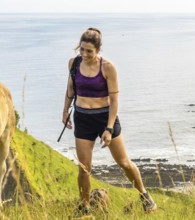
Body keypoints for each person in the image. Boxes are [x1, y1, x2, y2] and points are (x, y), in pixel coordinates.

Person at [62, 27, 157, 216]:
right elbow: (70, 90)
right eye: (81, 49)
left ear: (98, 50)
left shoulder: (108, 67)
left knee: (123, 162)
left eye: (89, 51)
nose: (84, 54)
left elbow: (114, 101)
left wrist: (109, 128)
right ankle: (85, 207)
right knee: (84, 168)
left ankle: (146, 197)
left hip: (105, 117)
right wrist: (65, 111)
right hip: (82, 118)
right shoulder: (73, 63)